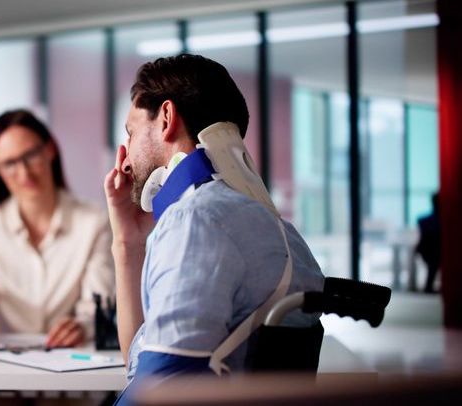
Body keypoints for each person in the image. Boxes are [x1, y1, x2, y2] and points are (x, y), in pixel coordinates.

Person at [103, 54, 325, 402]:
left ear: (166, 118)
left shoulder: (195, 221)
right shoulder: (282, 232)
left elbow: (158, 390)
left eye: (131, 132)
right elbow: (143, 357)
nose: (126, 155)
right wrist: (127, 240)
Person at [0, 109, 115, 349]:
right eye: (9, 164)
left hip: (72, 365)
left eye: (31, 155)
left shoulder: (94, 221)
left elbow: (99, 304)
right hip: (3, 369)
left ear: (50, 150)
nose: (24, 172)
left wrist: (82, 326)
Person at [416, 193, 441, 293]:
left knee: (433, 265)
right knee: (434, 262)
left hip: (428, 250)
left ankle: (429, 286)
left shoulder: (425, 220)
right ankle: (429, 286)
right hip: (432, 250)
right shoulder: (438, 220)